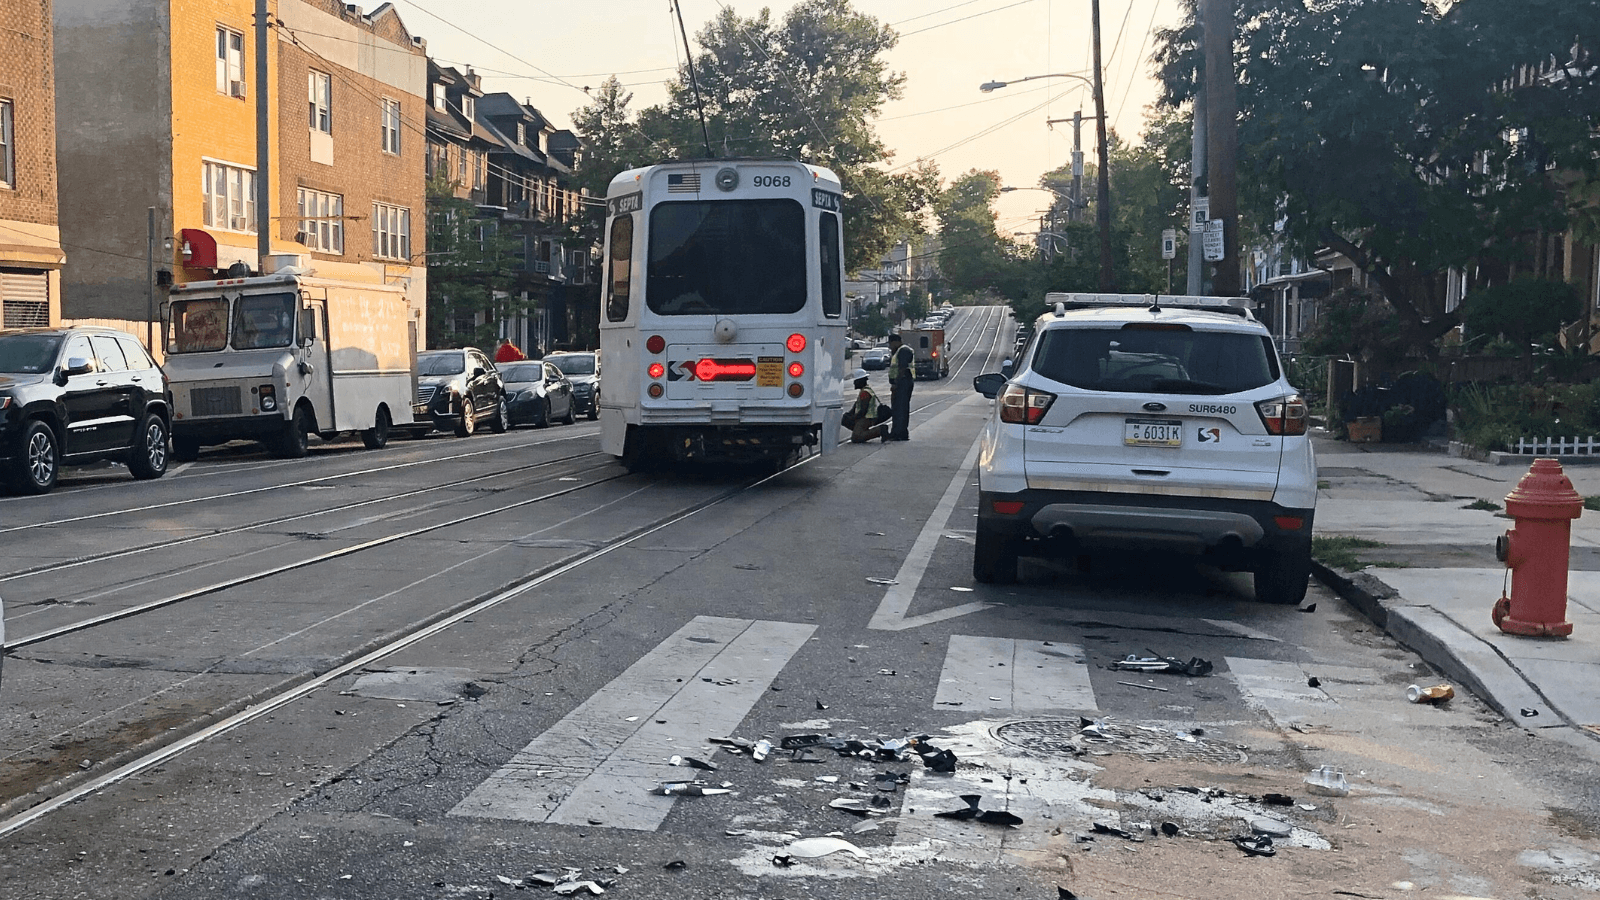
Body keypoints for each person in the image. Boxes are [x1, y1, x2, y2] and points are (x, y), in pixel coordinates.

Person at [840, 368, 890, 443]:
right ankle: (859, 430)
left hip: (867, 418)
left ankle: (880, 430)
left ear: (860, 381)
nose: (854, 383)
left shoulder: (865, 393)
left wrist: (853, 418)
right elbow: (856, 406)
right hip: (865, 417)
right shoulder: (865, 390)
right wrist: (849, 415)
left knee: (856, 438)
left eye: (855, 381)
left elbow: (863, 411)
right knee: (845, 419)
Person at [885, 332, 914, 441]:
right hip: (902, 383)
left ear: (896, 342)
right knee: (898, 408)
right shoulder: (899, 351)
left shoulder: (903, 351)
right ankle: (898, 432)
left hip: (903, 383)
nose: (890, 347)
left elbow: (902, 368)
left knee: (900, 409)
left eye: (891, 344)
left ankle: (899, 433)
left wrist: (896, 384)